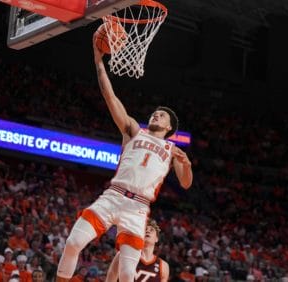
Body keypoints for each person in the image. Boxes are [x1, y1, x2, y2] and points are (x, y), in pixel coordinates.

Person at [55, 32, 193, 282]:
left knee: (128, 274)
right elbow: (110, 98)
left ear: (170, 127)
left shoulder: (173, 151)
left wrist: (186, 164)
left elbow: (185, 183)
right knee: (74, 241)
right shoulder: (132, 130)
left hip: (138, 208)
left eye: (161, 116)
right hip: (114, 195)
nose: (155, 116)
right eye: (154, 113)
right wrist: (98, 61)